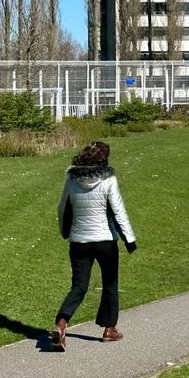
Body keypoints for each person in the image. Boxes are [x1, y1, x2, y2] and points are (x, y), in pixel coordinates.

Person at [51, 141, 137, 351]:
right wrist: (130, 239)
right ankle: (109, 329)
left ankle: (61, 324)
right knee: (110, 284)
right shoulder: (109, 179)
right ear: (103, 158)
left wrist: (65, 232)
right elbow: (118, 210)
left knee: (79, 286)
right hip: (105, 241)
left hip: (79, 242)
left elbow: (63, 207)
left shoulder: (71, 178)